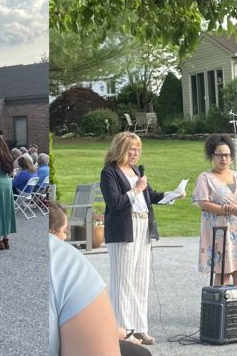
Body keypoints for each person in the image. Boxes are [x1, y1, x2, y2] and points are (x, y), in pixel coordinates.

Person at [101, 131, 181, 346]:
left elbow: (151, 196)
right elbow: (115, 202)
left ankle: (140, 327)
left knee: (140, 279)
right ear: (120, 149)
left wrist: (173, 194)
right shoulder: (109, 172)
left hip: (143, 225)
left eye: (138, 149)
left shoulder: (136, 171)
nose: (135, 153)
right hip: (123, 230)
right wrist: (136, 190)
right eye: (131, 149)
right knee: (123, 280)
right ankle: (124, 330)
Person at [49, 202, 151, 356]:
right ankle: (124, 324)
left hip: (139, 231)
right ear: (51, 231)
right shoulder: (65, 262)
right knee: (123, 283)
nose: (66, 236)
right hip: (123, 233)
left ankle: (134, 327)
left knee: (136, 283)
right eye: (63, 231)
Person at [192, 134, 237, 288]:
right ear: (212, 156)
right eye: (220, 155)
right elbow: (203, 203)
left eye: (227, 155)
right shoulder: (206, 178)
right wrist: (224, 209)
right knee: (223, 274)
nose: (224, 159)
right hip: (220, 233)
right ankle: (221, 310)